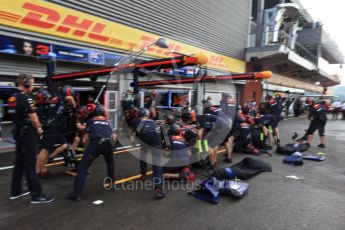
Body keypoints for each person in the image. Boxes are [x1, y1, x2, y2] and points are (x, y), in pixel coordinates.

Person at [7, 73, 54, 204]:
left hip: (18, 133)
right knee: (30, 164)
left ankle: (15, 191)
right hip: (28, 135)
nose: (32, 87)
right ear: (26, 83)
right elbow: (33, 117)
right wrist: (39, 128)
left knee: (19, 163)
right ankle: (37, 195)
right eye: (32, 84)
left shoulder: (11, 97)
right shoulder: (26, 98)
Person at [67, 104, 116, 202]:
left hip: (96, 144)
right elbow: (114, 136)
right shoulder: (107, 121)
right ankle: (112, 183)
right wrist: (112, 147)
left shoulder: (90, 121)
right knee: (110, 163)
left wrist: (87, 150)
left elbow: (86, 138)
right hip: (108, 144)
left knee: (83, 167)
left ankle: (76, 194)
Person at [135, 108, 165, 198]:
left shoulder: (137, 121)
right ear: (148, 115)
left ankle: (143, 174)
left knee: (143, 155)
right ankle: (158, 188)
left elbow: (136, 134)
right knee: (157, 164)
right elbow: (163, 132)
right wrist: (166, 145)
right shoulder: (155, 121)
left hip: (144, 140)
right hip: (156, 141)